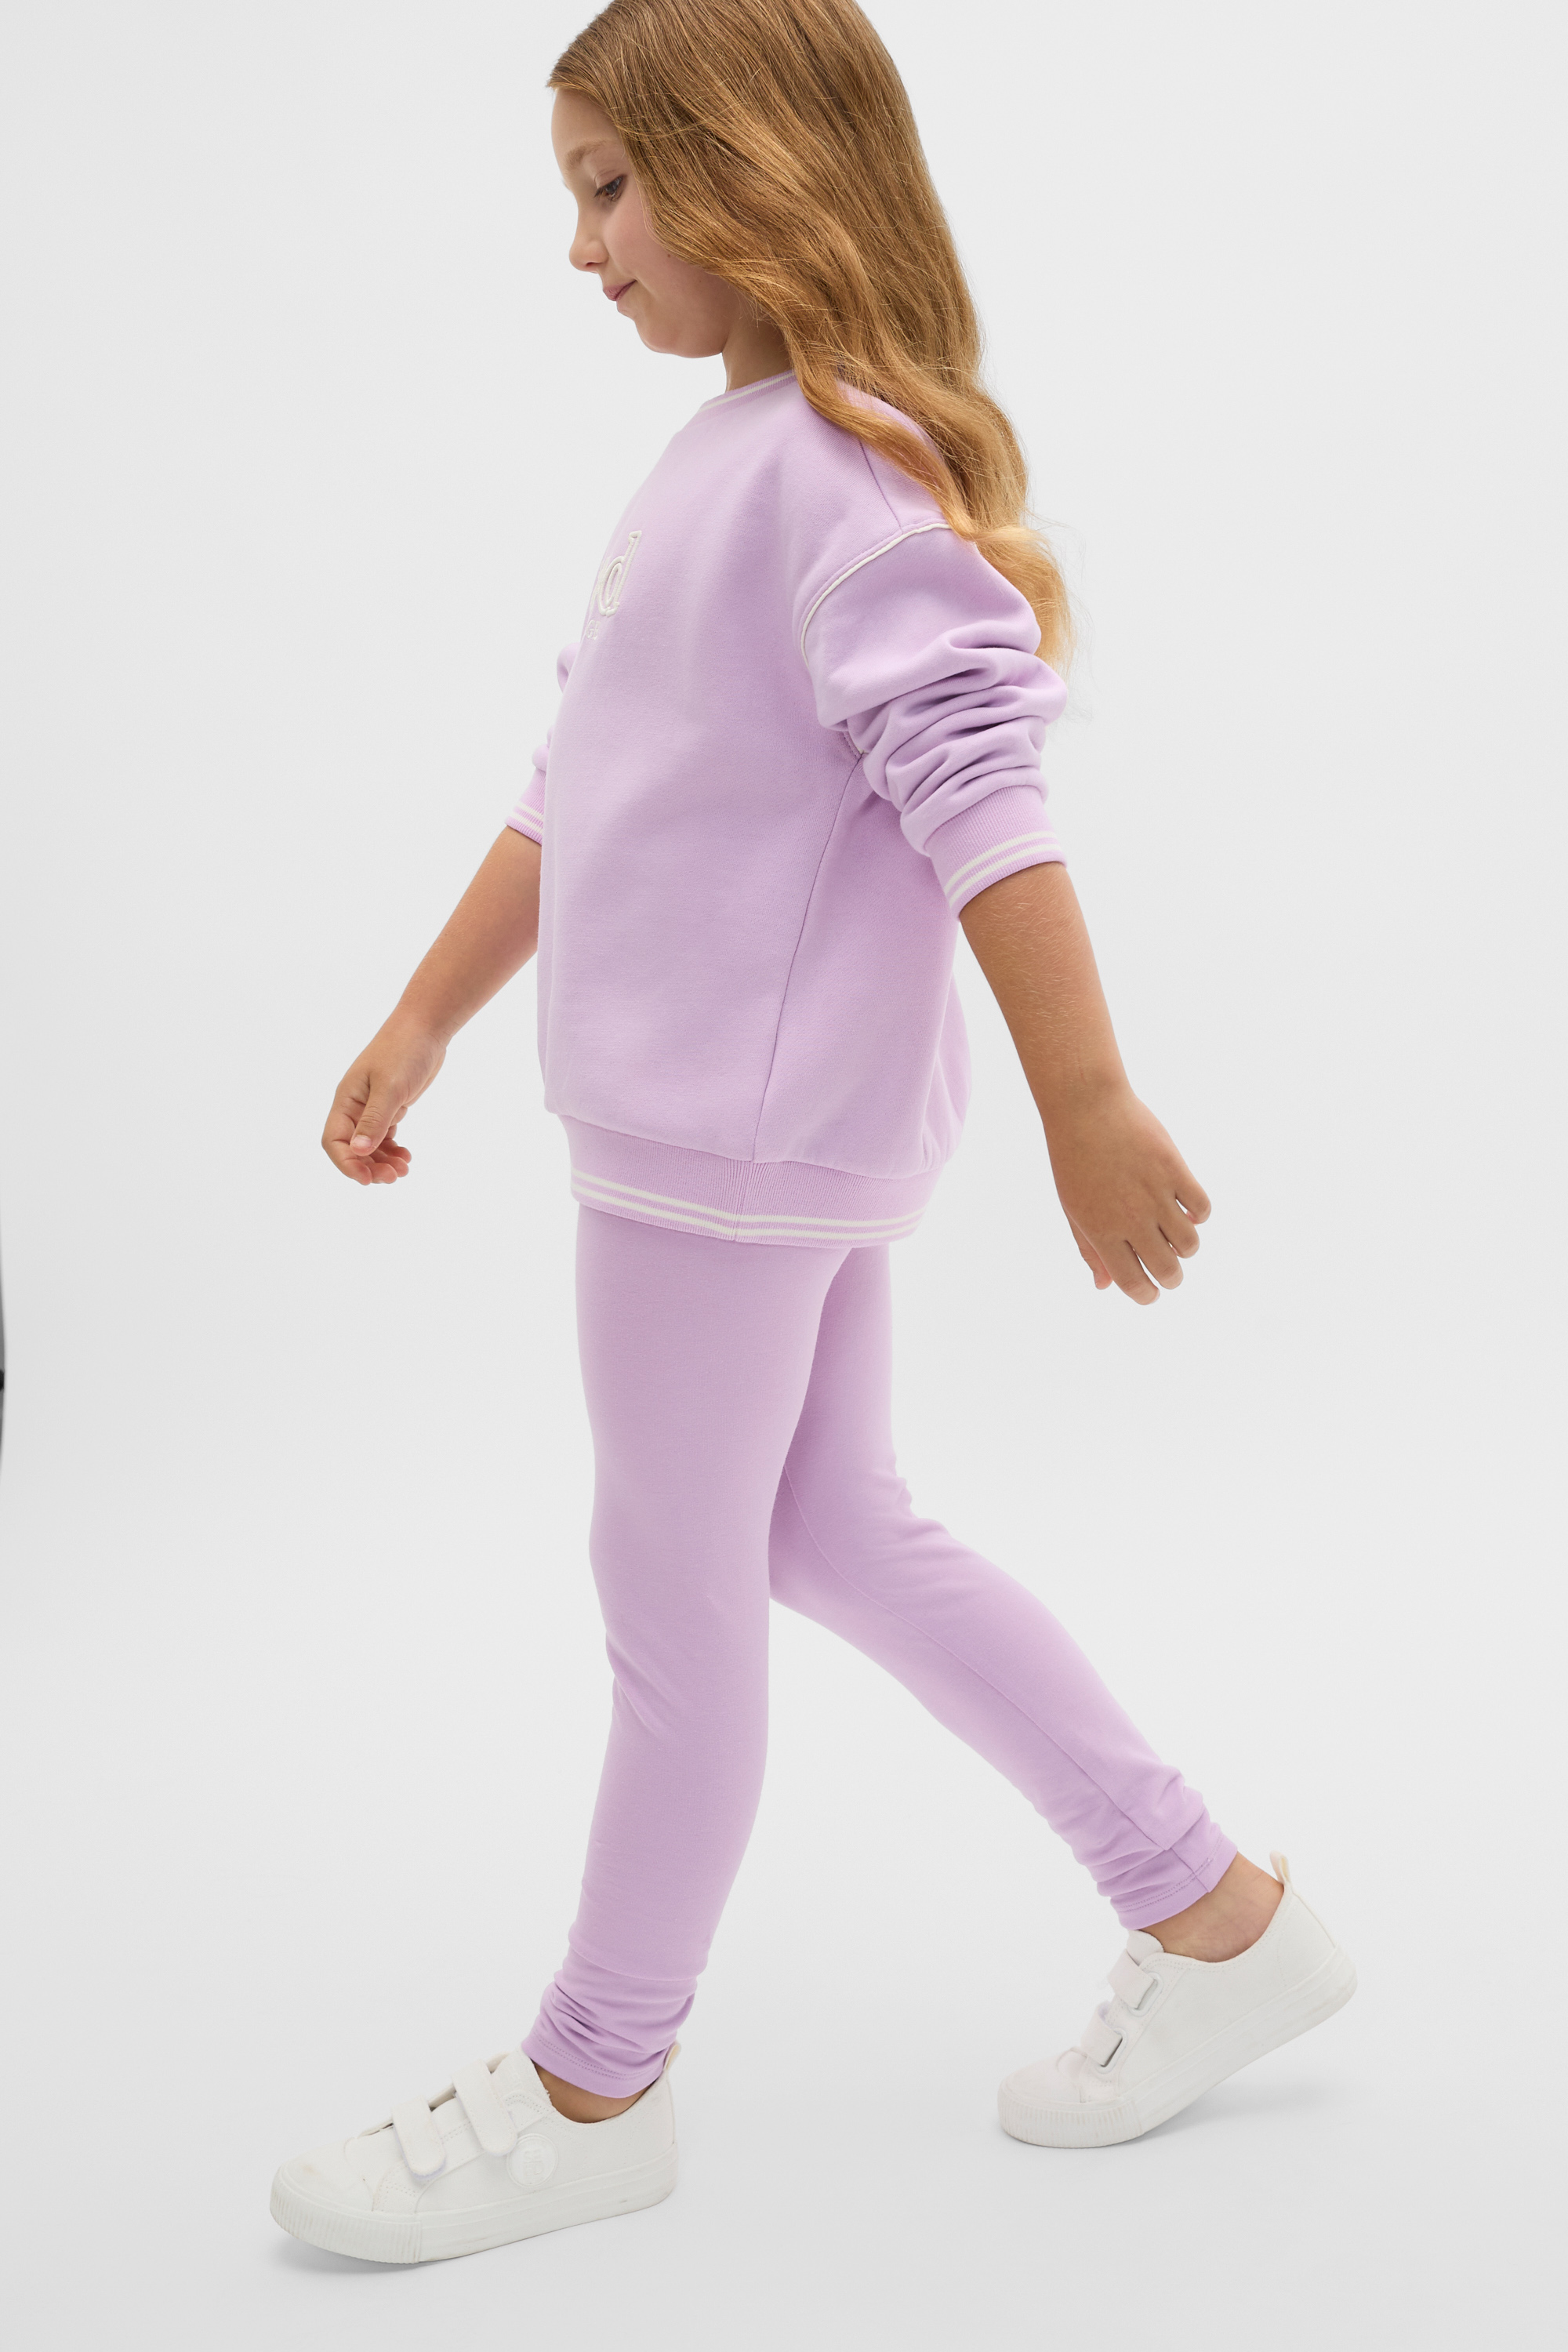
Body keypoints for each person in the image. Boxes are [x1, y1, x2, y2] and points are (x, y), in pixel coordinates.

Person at [272, 0, 1354, 2267]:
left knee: (669, 1601)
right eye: (573, 193)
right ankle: (1215, 1915)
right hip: (753, 1134)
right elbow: (577, 782)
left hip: (716, 1151)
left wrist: (1089, 1100)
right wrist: (422, 1014)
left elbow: (980, 786)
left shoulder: (836, 480)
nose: (581, 246)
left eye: (609, 188)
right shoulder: (731, 457)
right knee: (833, 1528)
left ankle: (597, 2080)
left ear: (750, 171)